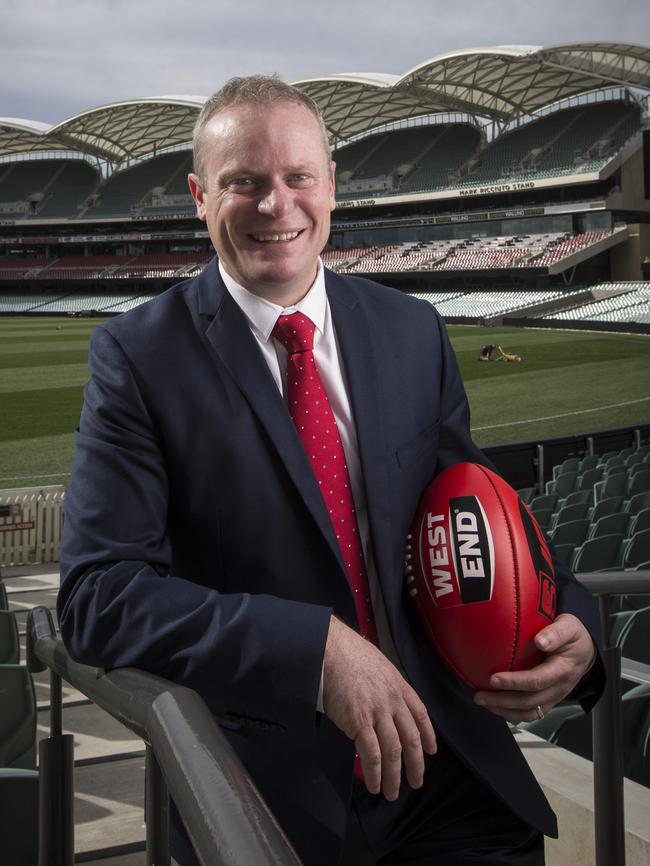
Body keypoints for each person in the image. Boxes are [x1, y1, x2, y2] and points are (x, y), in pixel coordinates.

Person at [58, 76, 603, 866]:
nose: (277, 205)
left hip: (449, 778)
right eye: (244, 182)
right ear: (200, 196)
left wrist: (576, 618)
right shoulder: (139, 357)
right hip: (265, 791)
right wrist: (313, 650)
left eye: (297, 177)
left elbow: (481, 506)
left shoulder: (411, 329)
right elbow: (98, 595)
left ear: (331, 187)